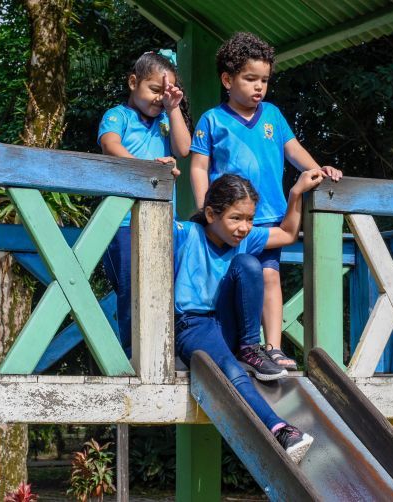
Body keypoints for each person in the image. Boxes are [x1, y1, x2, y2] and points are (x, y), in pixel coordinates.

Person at [190, 32, 342, 374]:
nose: (259, 87)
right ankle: (237, 344)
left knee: (270, 277)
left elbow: (293, 150)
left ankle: (272, 347)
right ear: (227, 80)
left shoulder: (272, 114)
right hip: (229, 220)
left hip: (269, 217)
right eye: (250, 79)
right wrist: (205, 210)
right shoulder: (212, 120)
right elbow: (199, 167)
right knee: (233, 279)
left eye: (264, 80)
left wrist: (318, 170)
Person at [174, 170, 324, 462]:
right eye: (235, 218)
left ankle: (249, 347)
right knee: (230, 369)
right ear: (210, 214)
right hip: (193, 325)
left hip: (226, 324)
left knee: (250, 264)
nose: (244, 227)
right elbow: (140, 224)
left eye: (250, 219)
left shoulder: (243, 240)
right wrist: (155, 175)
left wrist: (295, 193)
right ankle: (279, 429)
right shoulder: (185, 233)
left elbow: (288, 234)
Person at [98, 50, 190, 356]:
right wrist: (148, 169)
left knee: (166, 286)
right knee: (132, 287)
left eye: (165, 92)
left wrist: (174, 109)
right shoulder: (118, 116)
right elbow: (110, 145)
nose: (159, 98)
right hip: (123, 222)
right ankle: (132, 354)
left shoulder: (166, 120)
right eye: (154, 89)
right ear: (133, 82)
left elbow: (184, 149)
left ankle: (165, 353)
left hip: (163, 222)